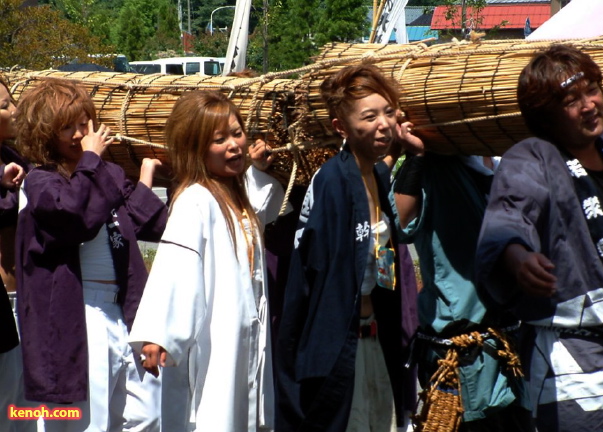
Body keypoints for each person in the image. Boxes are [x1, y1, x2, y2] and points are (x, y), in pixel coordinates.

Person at [475, 44, 603, 431]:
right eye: (572, 100)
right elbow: (509, 212)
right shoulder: (530, 157)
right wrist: (517, 257)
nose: (589, 105)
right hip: (572, 351)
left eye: (592, 91)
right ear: (546, 116)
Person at [14, 78, 168, 431]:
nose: (80, 134)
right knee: (88, 422)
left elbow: (145, 219)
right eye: (67, 126)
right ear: (45, 133)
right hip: (78, 311)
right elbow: (73, 218)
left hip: (124, 307)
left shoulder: (107, 172)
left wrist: (154, 176)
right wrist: (89, 161)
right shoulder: (40, 182)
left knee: (147, 415)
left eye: (84, 124)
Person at [275, 63, 419, 432]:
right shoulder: (332, 182)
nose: (383, 124)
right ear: (341, 127)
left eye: (389, 112)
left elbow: (385, 257)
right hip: (341, 348)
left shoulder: (378, 173)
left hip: (376, 340)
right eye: (369, 117)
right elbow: (314, 277)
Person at [128, 90, 275, 432]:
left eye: (237, 133)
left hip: (244, 340)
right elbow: (176, 268)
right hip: (216, 341)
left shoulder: (235, 198)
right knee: (214, 413)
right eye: (219, 139)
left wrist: (259, 169)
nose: (234, 145)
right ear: (195, 148)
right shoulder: (196, 200)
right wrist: (157, 333)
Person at [391, 148, 533, 431]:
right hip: (462, 355)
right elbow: (401, 225)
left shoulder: (507, 167)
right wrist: (416, 156)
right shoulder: (437, 169)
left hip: (511, 351)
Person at [0, 75, 37, 432]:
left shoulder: (17, 158)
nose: (15, 110)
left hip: (23, 299)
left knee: (22, 406)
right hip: (1, 309)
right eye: (5, 105)